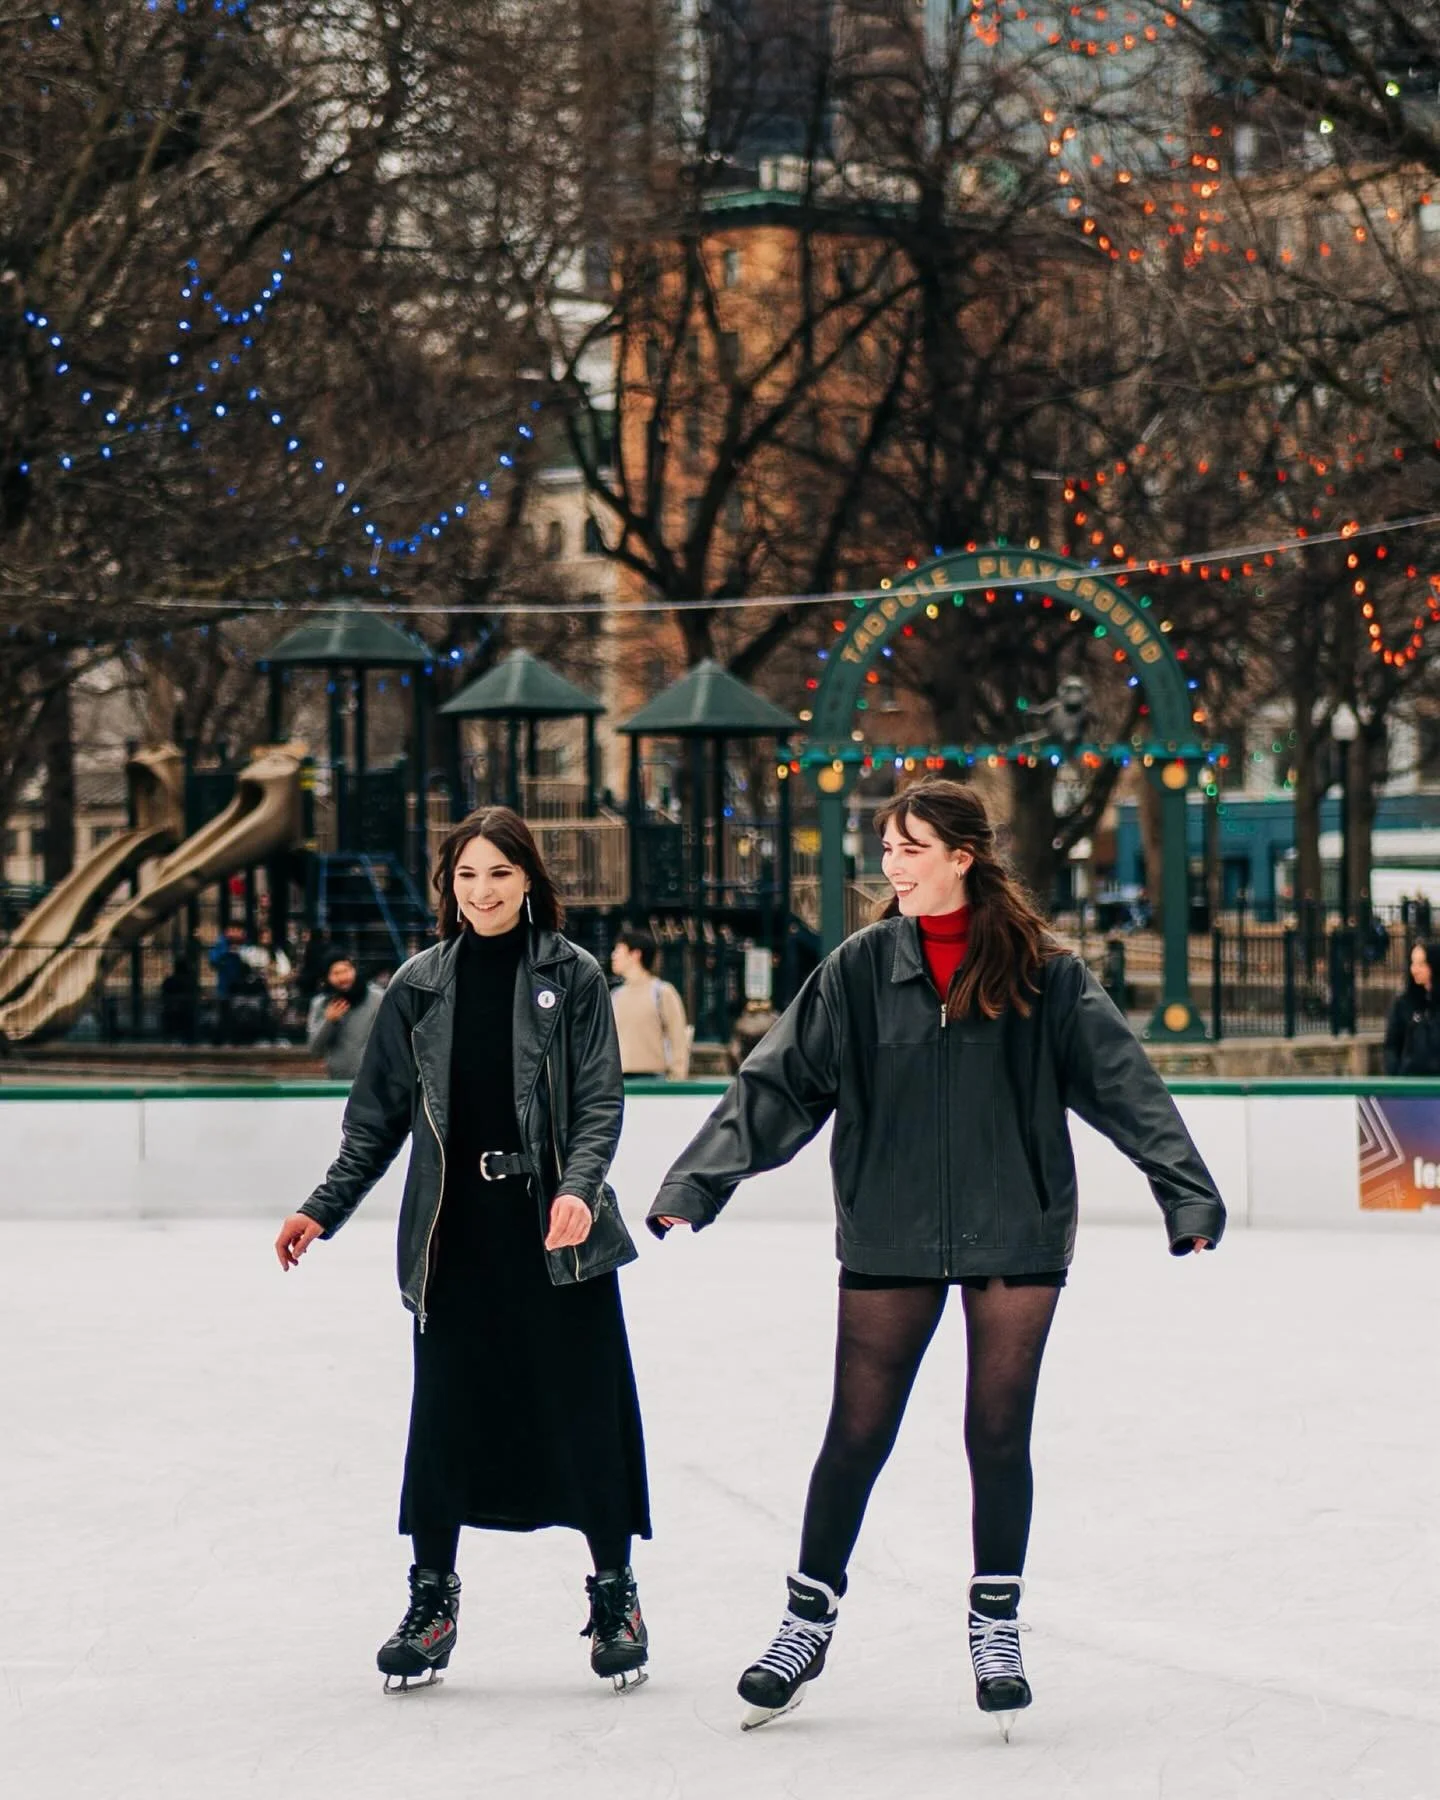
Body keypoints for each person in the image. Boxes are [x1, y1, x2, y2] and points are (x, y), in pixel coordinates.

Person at [647, 777, 1225, 1737]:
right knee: (856, 1435)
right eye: (886, 848)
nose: (891, 864)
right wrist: (696, 1184)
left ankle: (995, 1625)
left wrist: (1186, 1191)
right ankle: (806, 1621)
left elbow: (1129, 1088)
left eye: (911, 847)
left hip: (1017, 1226)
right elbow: (776, 1088)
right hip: (892, 1225)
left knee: (997, 1436)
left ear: (963, 855)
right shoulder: (858, 970)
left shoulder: (1048, 974)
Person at [274, 807, 651, 1695]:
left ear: (529, 880)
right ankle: (432, 1601)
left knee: (586, 1412)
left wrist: (576, 1192)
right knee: (444, 1421)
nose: (482, 891)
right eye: (467, 876)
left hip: (556, 1238)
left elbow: (599, 1104)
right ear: (450, 886)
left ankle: (614, 1595)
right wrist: (321, 1209)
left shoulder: (576, 975)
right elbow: (375, 1126)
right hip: (456, 1240)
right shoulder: (418, 987)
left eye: (500, 873)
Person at [609, 926, 691, 1079]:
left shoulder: (662, 992)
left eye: (618, 951)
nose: (613, 956)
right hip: (620, 1081)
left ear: (635, 954)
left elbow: (678, 1040)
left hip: (655, 1081)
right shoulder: (615, 996)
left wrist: (677, 1079)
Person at [305, 951, 383, 1080]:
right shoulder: (321, 1004)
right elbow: (314, 1050)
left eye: (346, 970)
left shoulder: (377, 998)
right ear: (327, 977)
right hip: (338, 1081)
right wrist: (328, 1021)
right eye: (336, 973)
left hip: (374, 1081)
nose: (343, 977)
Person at [1383, 941, 1440, 1074]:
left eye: (1421, 964)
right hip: (1409, 1082)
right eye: (1412, 963)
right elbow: (1392, 1044)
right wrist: (1395, 1074)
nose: (1414, 969)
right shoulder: (1403, 1003)